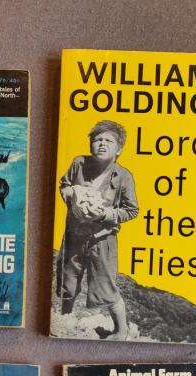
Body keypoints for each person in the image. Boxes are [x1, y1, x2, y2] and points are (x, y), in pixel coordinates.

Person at [56, 120, 139, 340]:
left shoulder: (123, 176)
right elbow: (64, 184)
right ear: (90, 144)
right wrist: (70, 193)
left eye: (108, 140)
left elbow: (132, 210)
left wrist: (106, 214)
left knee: (105, 286)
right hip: (74, 236)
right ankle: (65, 319)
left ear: (119, 149)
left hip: (103, 240)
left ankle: (121, 331)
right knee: (67, 280)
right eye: (97, 139)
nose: (102, 144)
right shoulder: (78, 164)